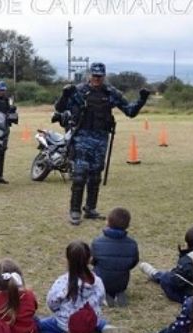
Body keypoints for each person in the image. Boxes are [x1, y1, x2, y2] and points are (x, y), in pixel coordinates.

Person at [55, 62, 150, 225]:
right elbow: (59, 108)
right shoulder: (79, 91)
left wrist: (142, 100)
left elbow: (130, 111)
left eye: (100, 76)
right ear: (89, 75)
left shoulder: (111, 93)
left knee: (95, 175)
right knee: (79, 176)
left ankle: (90, 208)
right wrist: (65, 95)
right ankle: (75, 210)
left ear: (104, 76)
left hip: (101, 139)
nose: (97, 79)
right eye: (94, 76)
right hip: (82, 137)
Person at [36, 241, 126, 333]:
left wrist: (60, 312)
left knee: (38, 326)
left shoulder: (62, 282)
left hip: (67, 324)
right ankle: (104, 326)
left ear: (68, 260)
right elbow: (100, 300)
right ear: (89, 259)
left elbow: (51, 303)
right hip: (90, 321)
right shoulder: (97, 281)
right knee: (96, 319)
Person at [91, 207, 140, 307]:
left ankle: (105, 295)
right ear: (127, 225)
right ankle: (118, 293)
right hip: (121, 282)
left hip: (101, 280)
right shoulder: (132, 244)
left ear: (107, 222)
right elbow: (134, 262)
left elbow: (93, 261)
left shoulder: (97, 242)